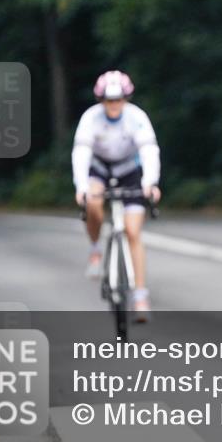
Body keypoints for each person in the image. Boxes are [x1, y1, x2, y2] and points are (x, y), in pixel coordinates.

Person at [72, 71, 161, 322]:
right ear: (101, 100)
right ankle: (95, 249)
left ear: (126, 98)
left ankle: (140, 295)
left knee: (133, 232)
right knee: (93, 203)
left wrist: (150, 183)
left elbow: (149, 150)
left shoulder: (136, 117)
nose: (113, 105)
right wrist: (81, 186)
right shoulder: (91, 118)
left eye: (118, 99)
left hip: (129, 170)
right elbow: (81, 153)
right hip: (100, 169)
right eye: (109, 100)